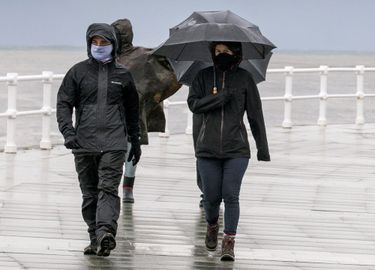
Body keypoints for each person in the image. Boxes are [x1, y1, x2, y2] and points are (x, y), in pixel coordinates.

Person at [56, 23, 141, 257]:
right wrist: (68, 132)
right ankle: (95, 237)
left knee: (108, 189)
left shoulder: (123, 75)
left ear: (114, 45)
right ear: (89, 44)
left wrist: (135, 139)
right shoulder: (77, 72)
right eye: (96, 42)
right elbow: (64, 103)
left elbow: (133, 110)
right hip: (83, 143)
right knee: (89, 193)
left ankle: (106, 232)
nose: (99, 47)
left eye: (104, 43)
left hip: (114, 142)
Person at [187, 41, 270, 261]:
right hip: (207, 149)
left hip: (237, 149)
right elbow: (193, 104)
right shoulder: (202, 77)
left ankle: (229, 241)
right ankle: (212, 225)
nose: (222, 55)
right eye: (218, 51)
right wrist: (218, 98)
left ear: (236, 53)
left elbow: (255, 115)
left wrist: (263, 148)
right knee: (211, 197)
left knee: (231, 195)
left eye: (226, 51)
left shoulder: (245, 79)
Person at [111, 18, 181, 203]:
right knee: (113, 150)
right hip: (111, 111)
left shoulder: (142, 55)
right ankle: (111, 185)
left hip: (135, 110)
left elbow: (165, 60)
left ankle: (127, 187)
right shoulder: (108, 58)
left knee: (131, 148)